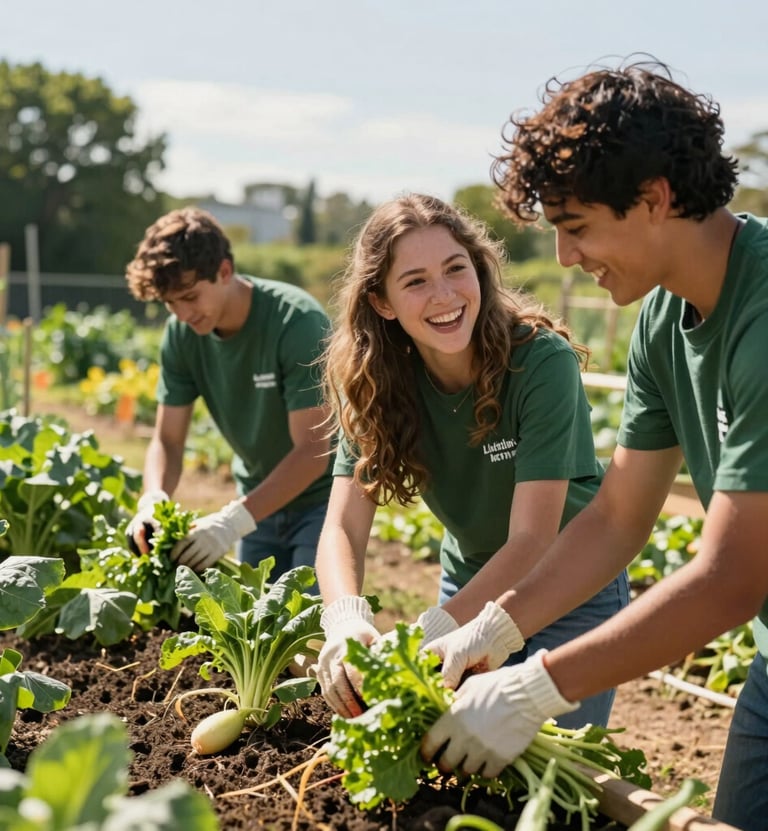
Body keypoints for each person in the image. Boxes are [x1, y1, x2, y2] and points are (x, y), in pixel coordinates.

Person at [417, 59, 768, 831]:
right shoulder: (661, 322)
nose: (567, 258)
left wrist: (537, 684)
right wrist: (498, 626)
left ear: (654, 199)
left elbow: (734, 576)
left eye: (576, 228)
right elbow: (615, 517)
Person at [314, 192, 630, 726]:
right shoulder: (377, 383)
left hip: (567, 590)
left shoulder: (538, 363)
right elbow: (343, 524)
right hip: (469, 582)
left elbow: (532, 540)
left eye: (455, 269)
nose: (444, 295)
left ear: (479, 271)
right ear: (382, 302)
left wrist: (424, 634)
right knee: (454, 762)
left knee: (549, 766)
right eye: (414, 281)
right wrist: (344, 618)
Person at [124, 207, 333, 582]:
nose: (182, 314)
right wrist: (153, 497)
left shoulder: (296, 322)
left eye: (189, 296)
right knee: (255, 632)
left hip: (324, 501)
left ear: (223, 271)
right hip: (257, 499)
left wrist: (231, 522)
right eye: (170, 303)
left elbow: (313, 452)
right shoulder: (181, 335)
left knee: (308, 626)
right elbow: (168, 440)